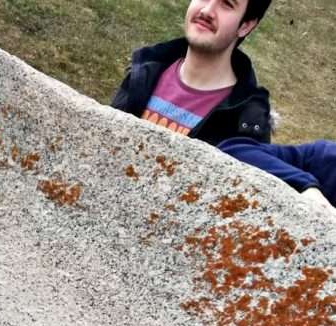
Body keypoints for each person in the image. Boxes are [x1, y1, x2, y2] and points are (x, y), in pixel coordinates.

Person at [111, 0, 335, 211]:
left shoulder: (247, 120)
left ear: (245, 26)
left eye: (227, 4)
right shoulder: (145, 71)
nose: (207, 10)